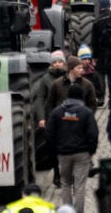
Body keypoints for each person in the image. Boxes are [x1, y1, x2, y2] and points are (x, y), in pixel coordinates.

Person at [48, 84, 98, 213]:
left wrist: (55, 151)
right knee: (80, 186)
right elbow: (93, 134)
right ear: (81, 97)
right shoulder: (86, 112)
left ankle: (68, 211)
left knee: (65, 183)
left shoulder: (57, 112)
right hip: (82, 153)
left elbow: (50, 134)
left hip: (63, 154)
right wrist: (90, 151)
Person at [34, 50, 67, 186]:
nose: (57, 64)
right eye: (55, 62)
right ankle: (57, 173)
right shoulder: (45, 79)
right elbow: (40, 99)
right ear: (51, 65)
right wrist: (41, 118)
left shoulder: (68, 77)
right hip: (52, 117)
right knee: (53, 148)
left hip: (67, 117)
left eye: (60, 62)